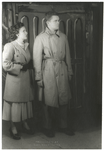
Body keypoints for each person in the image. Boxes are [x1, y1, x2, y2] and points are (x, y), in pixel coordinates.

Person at [33, 11, 74, 137]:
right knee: (47, 100)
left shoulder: (63, 36)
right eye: (55, 20)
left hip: (61, 69)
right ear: (48, 22)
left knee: (63, 99)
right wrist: (38, 77)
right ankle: (47, 126)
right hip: (48, 71)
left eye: (58, 20)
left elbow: (68, 56)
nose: (58, 22)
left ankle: (63, 125)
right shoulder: (40, 38)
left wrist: (69, 71)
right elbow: (37, 59)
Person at [2, 22, 34, 140]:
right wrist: (20, 67)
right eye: (24, 31)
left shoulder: (25, 45)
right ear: (16, 34)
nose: (26, 33)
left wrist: (29, 64)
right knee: (15, 104)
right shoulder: (10, 46)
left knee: (24, 102)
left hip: (25, 79)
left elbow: (26, 60)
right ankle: (13, 127)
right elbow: (5, 65)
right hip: (15, 81)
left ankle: (24, 123)